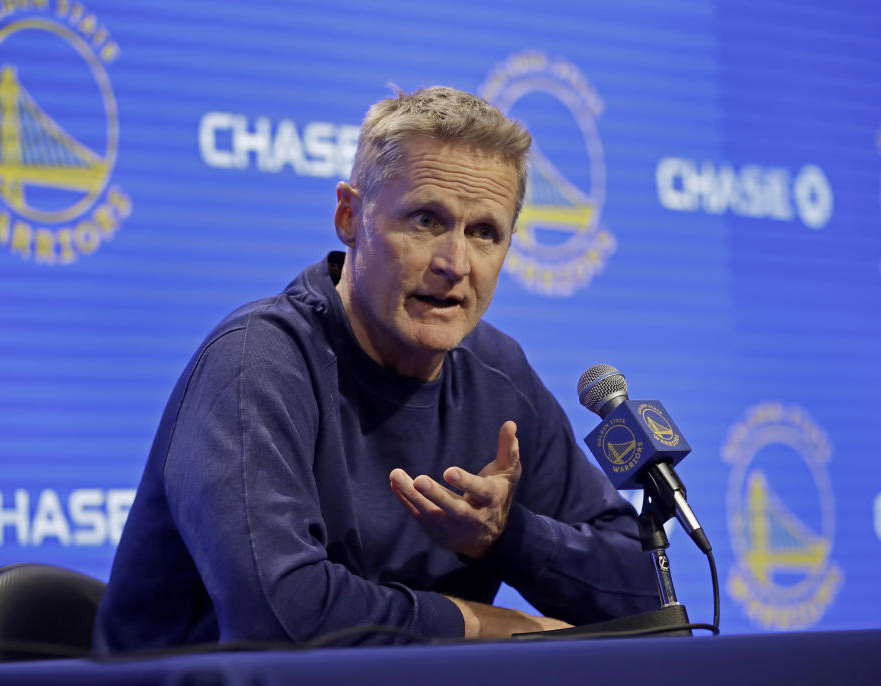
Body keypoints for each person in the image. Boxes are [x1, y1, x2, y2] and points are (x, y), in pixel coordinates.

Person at [93, 86, 660, 651]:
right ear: (350, 216)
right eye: (424, 220)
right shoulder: (255, 363)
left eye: (484, 233)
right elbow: (277, 616)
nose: (454, 264)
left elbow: (648, 594)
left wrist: (508, 537)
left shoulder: (497, 373)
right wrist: (476, 624)